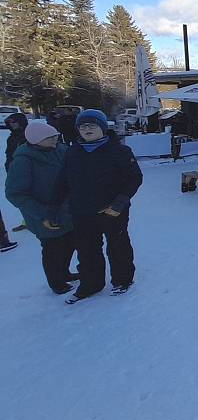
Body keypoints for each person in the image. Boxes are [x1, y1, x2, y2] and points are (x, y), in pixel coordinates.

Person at [52, 110, 142, 302]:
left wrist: (119, 203)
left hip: (112, 210)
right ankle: (91, 284)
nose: (87, 129)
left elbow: (135, 178)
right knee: (86, 249)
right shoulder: (73, 151)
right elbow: (63, 182)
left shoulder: (119, 151)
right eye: (83, 126)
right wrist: (55, 208)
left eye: (92, 125)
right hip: (81, 211)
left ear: (102, 127)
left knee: (118, 245)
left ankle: (122, 280)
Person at [5, 122, 78, 292]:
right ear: (36, 140)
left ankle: (64, 273)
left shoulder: (61, 150)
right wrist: (43, 213)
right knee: (53, 249)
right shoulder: (24, 160)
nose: (55, 139)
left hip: (66, 210)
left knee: (69, 243)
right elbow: (15, 193)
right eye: (50, 137)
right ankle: (56, 282)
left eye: (55, 136)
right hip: (43, 215)